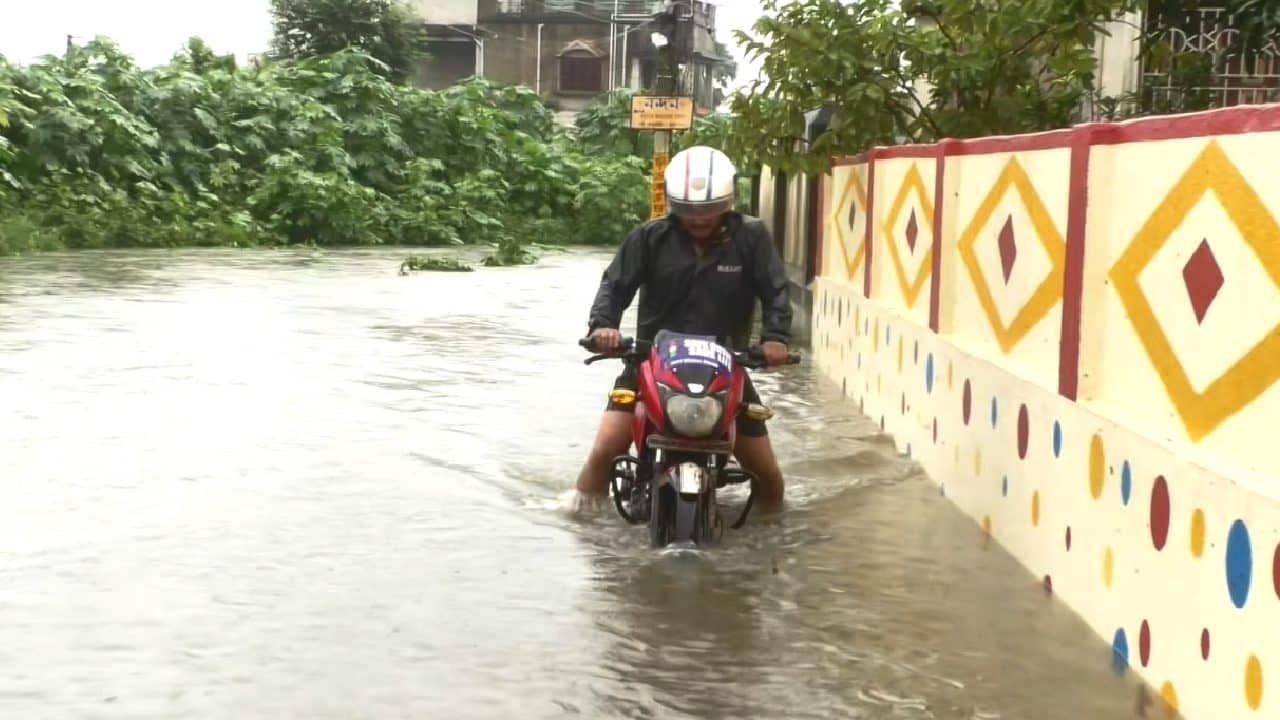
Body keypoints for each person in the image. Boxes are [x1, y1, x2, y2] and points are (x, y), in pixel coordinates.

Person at [568, 145, 793, 515]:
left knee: (766, 473)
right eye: (689, 210)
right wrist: (603, 327)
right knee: (605, 448)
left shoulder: (751, 238)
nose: (699, 218)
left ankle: (772, 532)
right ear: (674, 205)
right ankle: (583, 520)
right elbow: (614, 286)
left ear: (728, 202)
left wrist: (776, 339)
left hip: (727, 366)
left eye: (708, 209)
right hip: (648, 361)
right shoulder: (649, 237)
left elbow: (776, 290)